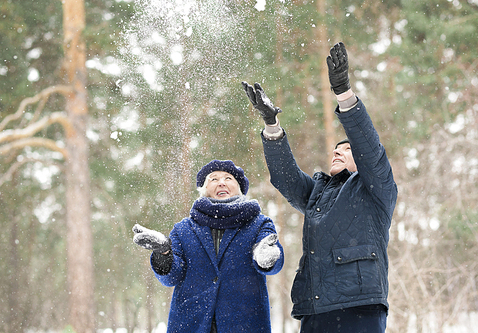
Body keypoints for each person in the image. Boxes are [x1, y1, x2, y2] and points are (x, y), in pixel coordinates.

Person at [242, 42, 398, 333]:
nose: (337, 152)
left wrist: (344, 93)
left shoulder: (377, 188)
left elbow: (369, 148)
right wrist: (271, 125)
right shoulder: (318, 193)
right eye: (335, 150)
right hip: (314, 308)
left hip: (358, 306)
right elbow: (286, 178)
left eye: (347, 149)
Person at [132, 159, 284, 333]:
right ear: (204, 190)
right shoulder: (182, 229)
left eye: (228, 178)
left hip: (244, 324)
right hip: (191, 324)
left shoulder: (259, 224)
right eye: (213, 179)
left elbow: (273, 264)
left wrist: (265, 256)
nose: (221, 182)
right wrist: (163, 252)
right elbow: (171, 278)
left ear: (239, 188)